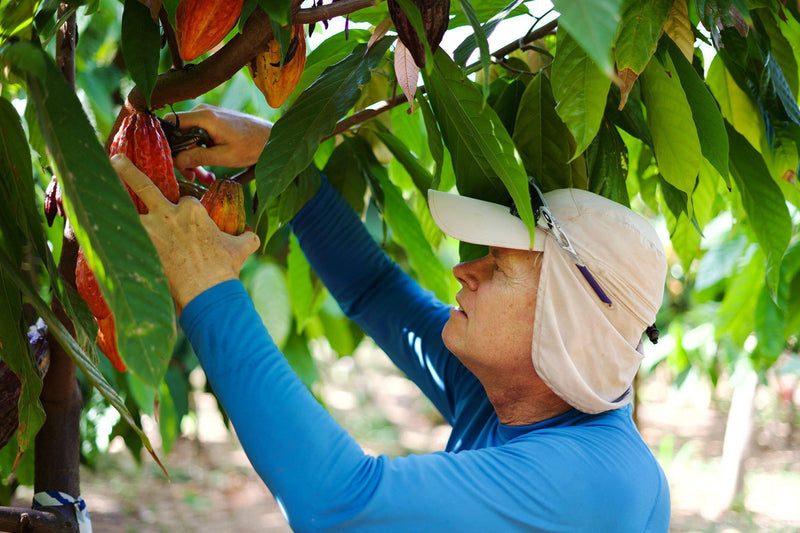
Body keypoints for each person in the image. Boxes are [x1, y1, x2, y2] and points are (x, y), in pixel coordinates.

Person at [111, 103, 671, 533]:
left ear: (564, 324)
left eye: (497, 267)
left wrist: (208, 289)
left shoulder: (599, 481)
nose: (463, 271)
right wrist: (276, 150)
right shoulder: (507, 394)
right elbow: (372, 288)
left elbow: (338, 503)